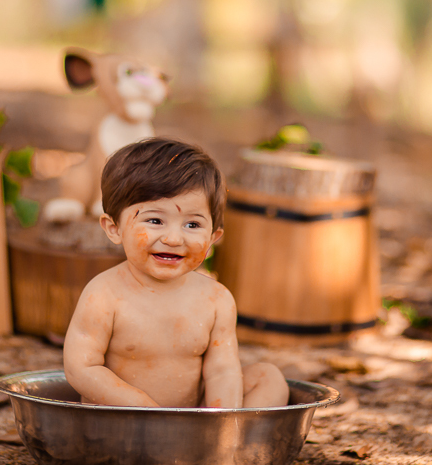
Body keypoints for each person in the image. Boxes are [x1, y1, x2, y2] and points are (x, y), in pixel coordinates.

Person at [63, 137, 290, 408]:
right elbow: (81, 368)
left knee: (269, 377)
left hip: (192, 423)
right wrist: (142, 406)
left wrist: (221, 424)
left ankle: (229, 446)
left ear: (213, 238)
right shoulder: (104, 294)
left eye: (192, 225)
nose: (173, 238)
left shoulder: (216, 299)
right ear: (114, 229)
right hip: (123, 422)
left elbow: (222, 371)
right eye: (155, 220)